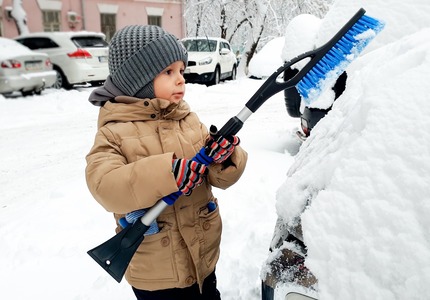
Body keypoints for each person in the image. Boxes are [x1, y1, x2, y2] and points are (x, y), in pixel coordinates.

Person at [85, 25, 248, 300]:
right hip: (156, 273)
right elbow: (104, 184)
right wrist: (167, 173)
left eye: (181, 71)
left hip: (202, 255)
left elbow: (219, 178)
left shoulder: (188, 121)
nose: (181, 80)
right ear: (139, 79)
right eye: (168, 72)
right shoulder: (114, 131)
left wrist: (225, 158)